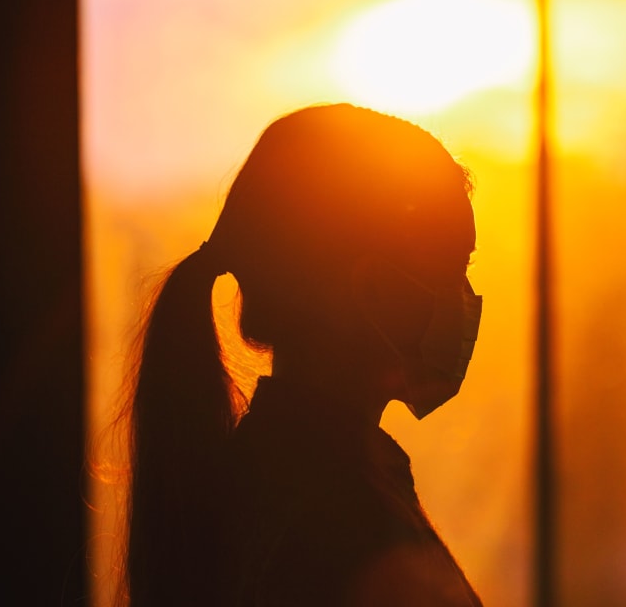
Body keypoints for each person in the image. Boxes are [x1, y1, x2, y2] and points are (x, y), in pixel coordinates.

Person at [124, 103, 484, 607]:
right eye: (451, 266)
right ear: (373, 290)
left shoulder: (270, 479)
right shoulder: (340, 518)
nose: (465, 297)